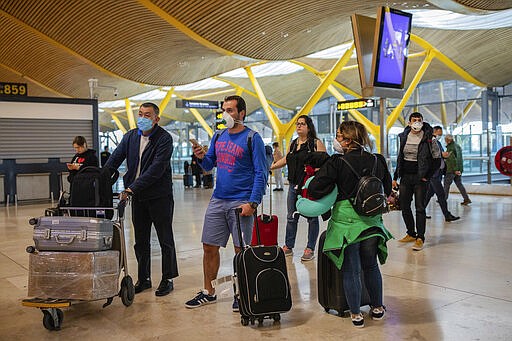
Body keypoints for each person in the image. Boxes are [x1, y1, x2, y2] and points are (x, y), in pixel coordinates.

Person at [184, 95, 267, 311]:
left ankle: (242, 293)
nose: (225, 114)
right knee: (209, 246)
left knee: (242, 250)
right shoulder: (218, 136)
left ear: (242, 113)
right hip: (218, 199)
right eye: (224, 110)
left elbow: (261, 172)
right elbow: (209, 165)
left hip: (242, 201)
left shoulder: (253, 138)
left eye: (230, 110)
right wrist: (201, 156)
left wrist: (253, 202)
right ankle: (208, 292)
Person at [307, 121, 393, 328]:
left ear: (347, 139)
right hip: (372, 222)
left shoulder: (337, 163)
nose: (336, 140)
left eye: (338, 135)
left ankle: (356, 314)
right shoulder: (377, 160)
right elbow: (387, 188)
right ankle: (377, 308)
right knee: (371, 265)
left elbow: (315, 190)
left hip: (347, 224)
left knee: (351, 269)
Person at [105, 102, 179, 297]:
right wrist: (100, 176)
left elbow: (156, 170)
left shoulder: (164, 139)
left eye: (147, 115)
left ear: (156, 119)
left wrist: (131, 188)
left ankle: (167, 278)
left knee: (165, 239)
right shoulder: (130, 136)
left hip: (159, 196)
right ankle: (144, 279)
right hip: (138, 196)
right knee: (141, 240)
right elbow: (115, 159)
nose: (143, 118)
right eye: (140, 114)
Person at [271, 115, 327, 261]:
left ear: (309, 127)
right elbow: (285, 159)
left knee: (312, 217)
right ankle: (288, 246)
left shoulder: (315, 143)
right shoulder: (294, 143)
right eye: (297, 124)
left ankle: (310, 248)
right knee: (291, 217)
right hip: (293, 186)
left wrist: (314, 172)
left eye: (302, 124)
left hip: (309, 187)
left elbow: (325, 164)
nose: (299, 126)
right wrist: (270, 167)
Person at [393, 112, 441, 251]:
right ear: (409, 122)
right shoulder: (403, 136)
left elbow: (437, 159)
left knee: (420, 207)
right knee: (404, 205)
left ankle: (420, 238)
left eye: (419, 120)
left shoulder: (429, 138)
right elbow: (400, 157)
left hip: (421, 178)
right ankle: (411, 233)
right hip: (405, 177)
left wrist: (428, 176)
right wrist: (395, 177)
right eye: (414, 120)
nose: (417, 122)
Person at [424, 126, 460, 222]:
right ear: (434, 131)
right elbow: (431, 155)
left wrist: (444, 156)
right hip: (433, 174)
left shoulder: (437, 142)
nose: (440, 136)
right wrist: (441, 155)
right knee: (441, 195)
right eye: (439, 133)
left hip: (438, 172)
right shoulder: (430, 142)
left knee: (429, 194)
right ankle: (447, 215)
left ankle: (420, 212)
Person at [444, 134, 472, 205]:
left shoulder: (451, 147)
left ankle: (443, 199)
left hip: (452, 169)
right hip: (459, 169)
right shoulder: (457, 146)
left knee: (446, 184)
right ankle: (466, 199)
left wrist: (455, 170)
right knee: (459, 184)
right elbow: (459, 158)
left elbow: (453, 159)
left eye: (446, 140)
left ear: (448, 140)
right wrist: (459, 170)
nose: (445, 141)